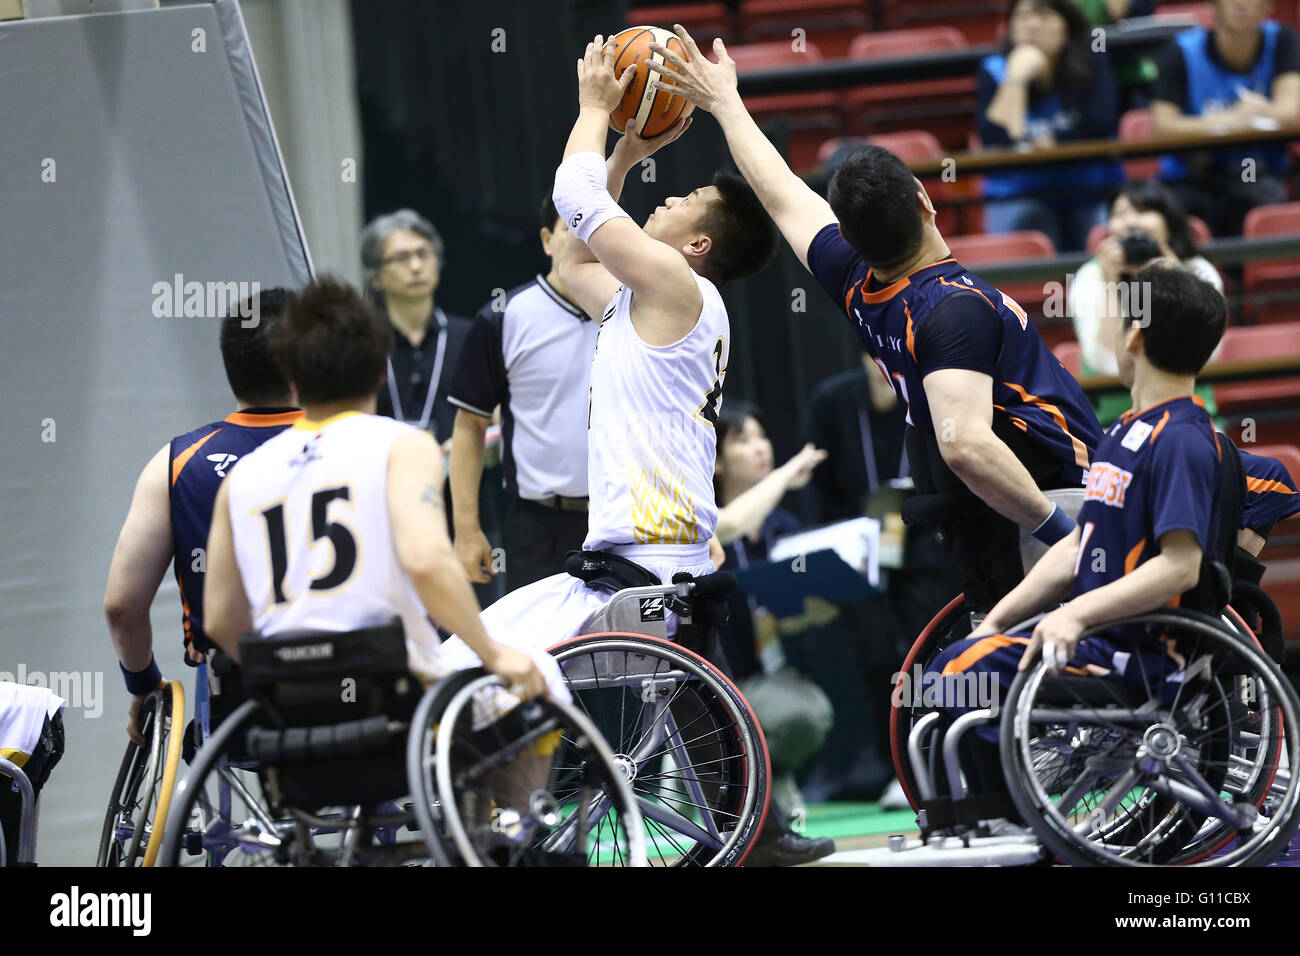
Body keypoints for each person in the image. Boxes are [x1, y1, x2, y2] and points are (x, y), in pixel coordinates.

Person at [652, 24, 1104, 613]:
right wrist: (1059, 532)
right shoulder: (952, 310)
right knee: (1250, 488)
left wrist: (723, 102)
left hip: (1004, 511)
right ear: (924, 198)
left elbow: (780, 190)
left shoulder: (857, 279)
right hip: (1060, 500)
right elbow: (963, 443)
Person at [930, 264, 1229, 814]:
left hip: (1140, 654)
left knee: (959, 676)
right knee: (953, 663)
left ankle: (1012, 820)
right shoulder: (1123, 432)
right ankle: (994, 819)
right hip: (1105, 641)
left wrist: (1075, 615)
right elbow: (1075, 548)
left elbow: (1180, 567)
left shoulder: (1183, 439)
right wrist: (996, 621)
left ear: (1134, 336)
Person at [202, 277, 557, 703]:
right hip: (391, 686)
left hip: (291, 698)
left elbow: (220, 619)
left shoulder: (243, 477)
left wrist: (285, 668)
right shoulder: (401, 446)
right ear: (378, 374)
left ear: (292, 381)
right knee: (544, 677)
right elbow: (426, 561)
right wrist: (493, 653)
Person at [103, 290, 302, 743]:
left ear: (231, 366)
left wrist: (144, 685)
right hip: (358, 691)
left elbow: (121, 607)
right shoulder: (363, 448)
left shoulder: (175, 462)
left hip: (239, 702)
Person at [447, 196, 599, 593]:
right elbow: (469, 426)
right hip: (537, 525)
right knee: (541, 651)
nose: (584, 240)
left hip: (624, 518)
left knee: (629, 646)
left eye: (594, 229)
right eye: (571, 228)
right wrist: (466, 530)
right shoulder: (503, 317)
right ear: (548, 240)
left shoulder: (636, 312)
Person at [1069, 180, 1224, 425]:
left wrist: (1175, 282)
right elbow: (1106, 362)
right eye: (1119, 213)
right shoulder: (1091, 276)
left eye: (1143, 211)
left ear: (1168, 222)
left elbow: (1206, 354)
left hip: (1191, 420)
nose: (1130, 222)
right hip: (1112, 422)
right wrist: (1112, 284)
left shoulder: (1197, 269)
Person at [977, 0, 1125, 251]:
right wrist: (1016, 79)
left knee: (1107, 233)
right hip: (1019, 193)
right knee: (1025, 222)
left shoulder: (1092, 58)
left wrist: (1050, 143)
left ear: (1066, 24)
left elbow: (1101, 122)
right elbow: (995, 137)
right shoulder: (994, 69)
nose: (1032, 26)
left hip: (1088, 189)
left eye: (1044, 16)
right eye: (1022, 17)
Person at [1150, 0, 1300, 237]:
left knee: (1259, 196)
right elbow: (1163, 127)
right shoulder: (1179, 50)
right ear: (1215, 5)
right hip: (1193, 174)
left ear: (1267, 6)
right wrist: (1229, 118)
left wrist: (1253, 113)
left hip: (1257, 169)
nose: (1241, 4)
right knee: (1174, 212)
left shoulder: (1283, 39)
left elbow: (1288, 115)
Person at [361, 209, 473, 445]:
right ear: (374, 277)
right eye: (401, 258)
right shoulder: (360, 342)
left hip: (457, 476)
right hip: (382, 476)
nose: (415, 266)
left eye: (423, 254)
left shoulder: (469, 336)